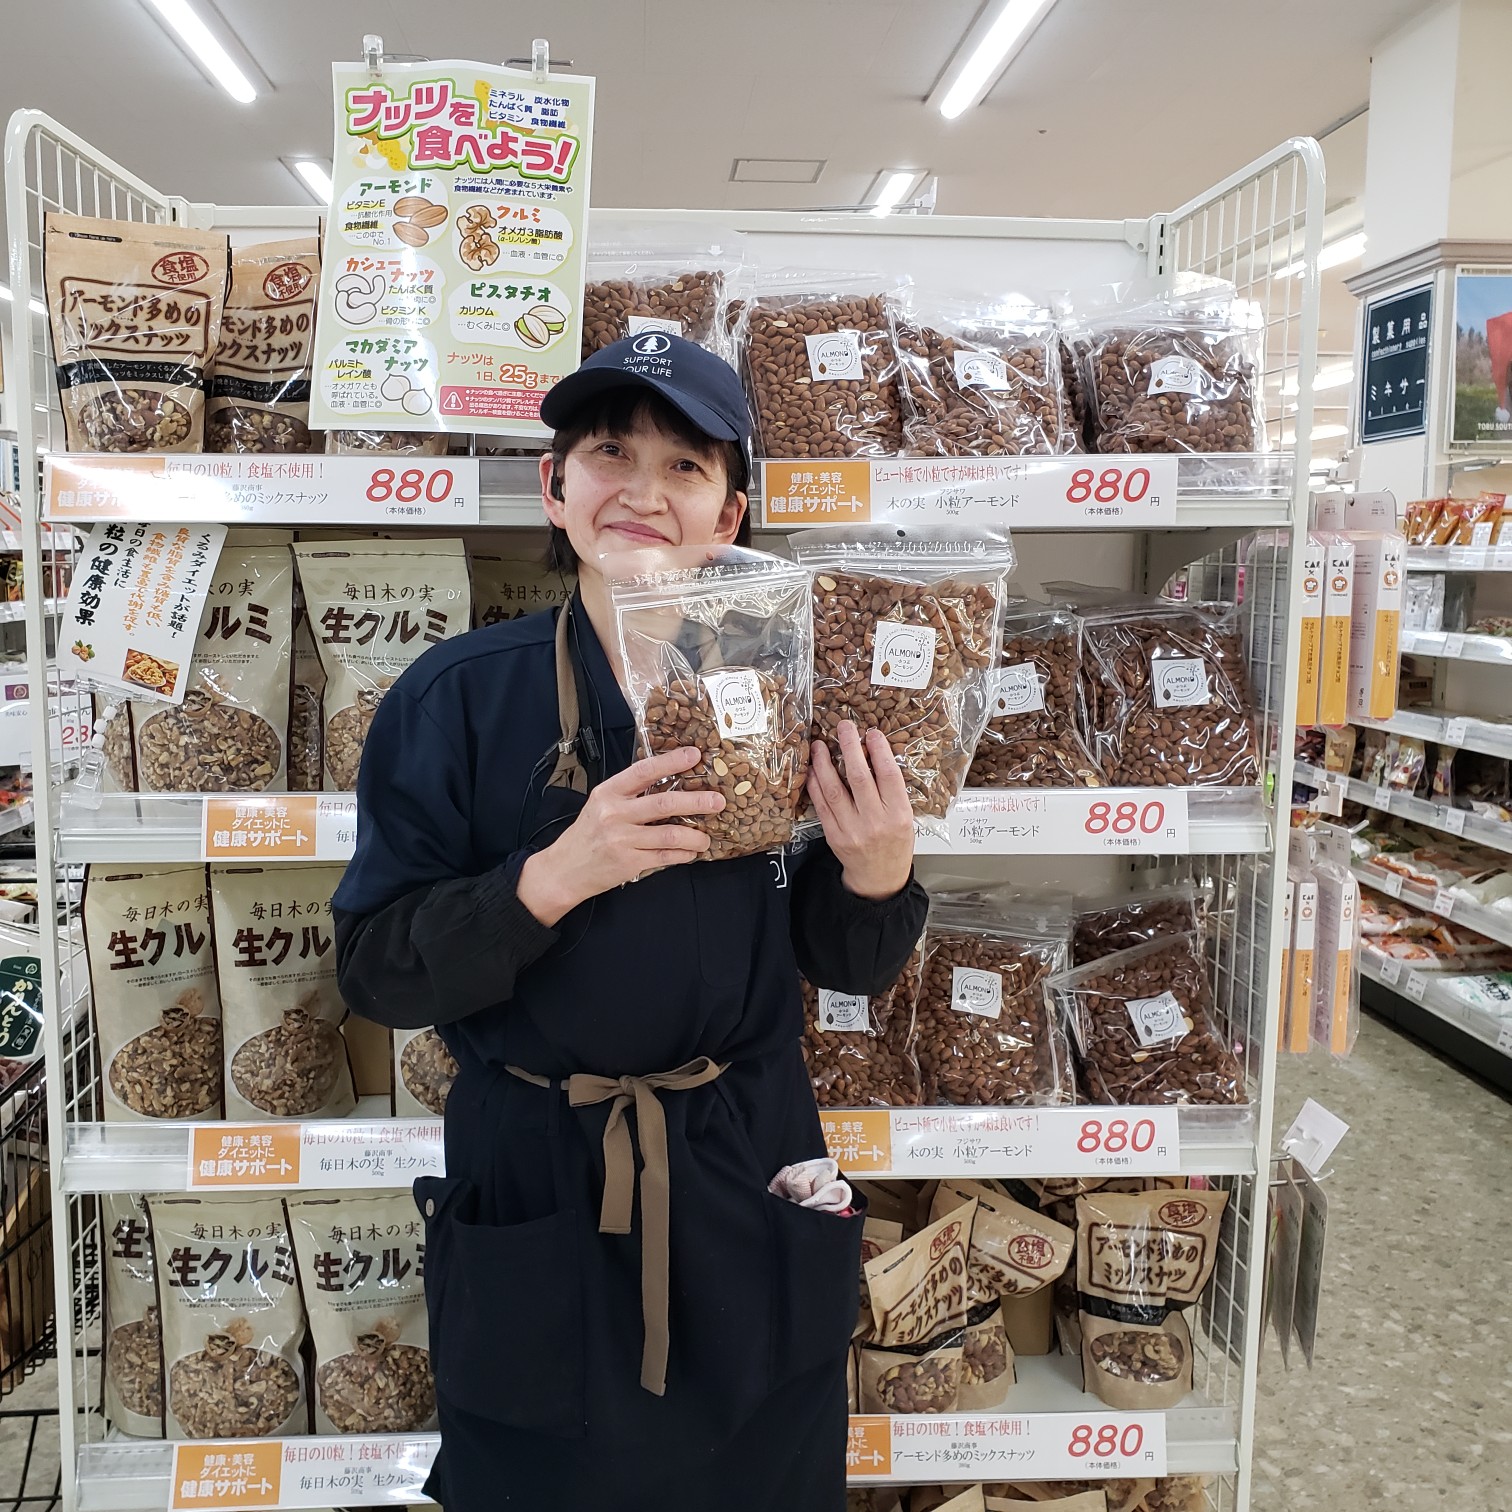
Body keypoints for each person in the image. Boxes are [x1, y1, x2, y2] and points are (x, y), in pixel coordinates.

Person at [332, 332, 928, 1511]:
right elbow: (377, 972)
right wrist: (550, 879)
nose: (643, 491)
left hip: (746, 1163)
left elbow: (844, 961)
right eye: (610, 453)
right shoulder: (456, 698)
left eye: (685, 465)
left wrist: (878, 876)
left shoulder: (792, 692)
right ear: (555, 489)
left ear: (730, 513)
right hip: (539, 1176)